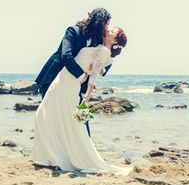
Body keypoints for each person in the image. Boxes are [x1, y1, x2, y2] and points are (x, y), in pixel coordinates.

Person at [32, 26, 129, 175]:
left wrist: (87, 97)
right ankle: (54, 155)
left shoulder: (104, 52)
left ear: (115, 40)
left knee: (70, 122)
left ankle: (66, 156)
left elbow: (94, 77)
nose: (107, 29)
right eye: (109, 27)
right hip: (63, 79)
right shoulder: (95, 40)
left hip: (73, 84)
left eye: (111, 31)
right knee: (56, 118)